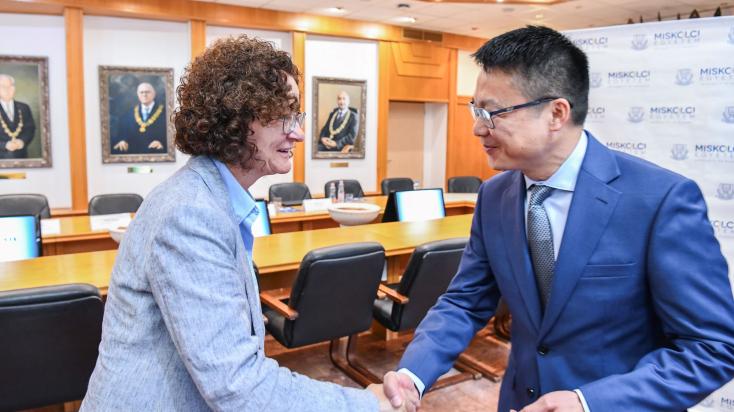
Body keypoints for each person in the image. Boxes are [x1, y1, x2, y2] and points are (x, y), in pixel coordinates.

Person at [382, 25, 734, 412]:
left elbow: (712, 348)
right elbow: (465, 302)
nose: (478, 128)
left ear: (556, 113)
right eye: (475, 110)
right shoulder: (495, 196)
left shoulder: (660, 200)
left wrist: (589, 403)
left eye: (492, 112)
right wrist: (413, 374)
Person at [81, 36, 415, 411]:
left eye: (297, 115)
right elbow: (238, 386)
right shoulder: (189, 213)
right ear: (236, 119)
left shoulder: (210, 199)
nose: (298, 132)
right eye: (282, 115)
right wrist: (368, 405)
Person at [111, 82, 167, 154]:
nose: (144, 95)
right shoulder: (128, 114)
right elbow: (122, 134)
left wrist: (162, 143)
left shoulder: (165, 113)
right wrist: (122, 141)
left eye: (147, 92)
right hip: (133, 154)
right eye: (141, 92)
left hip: (157, 153)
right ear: (138, 95)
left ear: (154, 94)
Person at [0, 74, 36, 159]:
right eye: (3, 87)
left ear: (14, 88)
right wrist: (4, 145)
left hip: (21, 156)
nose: (8, 90)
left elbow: (30, 129)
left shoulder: (24, 107)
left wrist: (22, 141)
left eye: (11, 86)